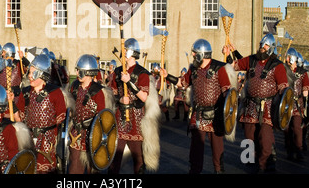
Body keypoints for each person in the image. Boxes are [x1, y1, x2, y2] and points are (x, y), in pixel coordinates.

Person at [168, 39, 235, 174]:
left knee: (217, 152)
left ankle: (219, 171)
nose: (193, 55)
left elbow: (227, 92)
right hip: (198, 115)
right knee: (195, 151)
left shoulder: (219, 68)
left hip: (215, 115)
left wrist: (226, 113)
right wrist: (167, 76)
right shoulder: (193, 69)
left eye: (195, 53)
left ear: (202, 54)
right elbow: (182, 83)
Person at [225, 33, 289, 173]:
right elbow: (233, 66)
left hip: (267, 106)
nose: (262, 47)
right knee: (248, 137)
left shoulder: (277, 66)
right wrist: (228, 54)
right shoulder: (251, 60)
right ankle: (248, 162)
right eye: (261, 45)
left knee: (265, 138)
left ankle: (265, 166)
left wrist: (280, 109)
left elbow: (284, 89)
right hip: (250, 105)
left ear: (271, 48)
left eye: (265, 45)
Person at [109, 38, 161, 174]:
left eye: (125, 50)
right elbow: (111, 93)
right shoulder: (118, 71)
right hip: (120, 118)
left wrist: (129, 81)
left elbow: (144, 96)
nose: (123, 52)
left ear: (131, 52)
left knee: (138, 158)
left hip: (136, 120)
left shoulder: (142, 73)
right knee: (115, 158)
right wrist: (120, 99)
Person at [20, 53, 68, 173]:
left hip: (47, 139)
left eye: (33, 73)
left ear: (42, 74)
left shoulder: (55, 92)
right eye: (29, 72)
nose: (29, 76)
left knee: (45, 169)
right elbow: (19, 117)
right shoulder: (25, 92)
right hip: (28, 138)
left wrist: (47, 127)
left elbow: (61, 117)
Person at [68, 54, 114, 174]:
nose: (77, 73)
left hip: (92, 136)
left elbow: (102, 118)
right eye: (77, 70)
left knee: (92, 170)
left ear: (88, 72)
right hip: (76, 134)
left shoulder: (98, 91)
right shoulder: (74, 86)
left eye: (80, 71)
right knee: (74, 168)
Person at [283, 48, 309, 161]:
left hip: (297, 104)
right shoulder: (283, 70)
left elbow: (305, 91)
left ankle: (298, 149)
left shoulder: (302, 72)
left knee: (297, 128)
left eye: (288, 57)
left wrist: (304, 95)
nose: (287, 59)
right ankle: (290, 151)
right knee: (287, 129)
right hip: (285, 104)